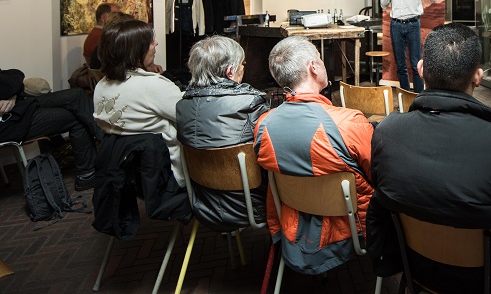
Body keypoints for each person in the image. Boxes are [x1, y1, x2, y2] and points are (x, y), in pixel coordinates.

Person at [367, 23, 491, 294]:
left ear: (420, 70)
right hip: (490, 278)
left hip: (416, 267)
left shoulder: (386, 133)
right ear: (478, 77)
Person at [253, 36, 374, 274]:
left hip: (291, 229)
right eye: (320, 59)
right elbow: (378, 175)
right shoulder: (349, 122)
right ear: (313, 67)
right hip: (353, 229)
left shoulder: (263, 127)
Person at [176, 35, 270, 231]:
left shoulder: (182, 106)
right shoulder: (250, 102)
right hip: (250, 206)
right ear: (230, 71)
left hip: (202, 203)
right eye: (242, 63)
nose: (244, 68)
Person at [94, 19, 185, 186]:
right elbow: (190, 115)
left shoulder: (101, 86)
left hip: (127, 171)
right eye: (150, 42)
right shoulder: (152, 86)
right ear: (136, 50)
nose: (156, 43)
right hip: (167, 171)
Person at [0, 67, 103, 191]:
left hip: (21, 105)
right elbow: (6, 85)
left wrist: (12, 95)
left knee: (77, 94)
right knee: (75, 118)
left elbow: (16, 74)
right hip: (11, 122)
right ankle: (88, 174)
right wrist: (10, 91)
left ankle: (107, 144)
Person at [380, 0, 436, 92]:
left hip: (412, 25)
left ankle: (418, 97)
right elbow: (383, 4)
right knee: (400, 64)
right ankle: (404, 96)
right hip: (396, 26)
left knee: (416, 63)